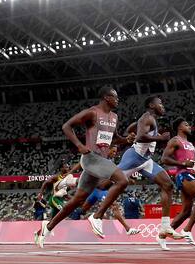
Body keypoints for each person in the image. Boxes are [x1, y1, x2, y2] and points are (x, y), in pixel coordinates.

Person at [35, 86, 134, 248]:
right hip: (90, 159)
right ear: (106, 98)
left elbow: (114, 139)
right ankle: (97, 216)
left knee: (76, 201)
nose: (118, 100)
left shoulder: (114, 117)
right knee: (122, 180)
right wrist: (79, 145)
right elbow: (66, 126)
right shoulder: (92, 113)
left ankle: (47, 228)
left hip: (99, 163)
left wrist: (126, 140)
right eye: (115, 97)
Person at [117, 95, 184, 248]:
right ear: (151, 105)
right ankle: (77, 184)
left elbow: (133, 130)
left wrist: (130, 132)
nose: (163, 106)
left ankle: (165, 227)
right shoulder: (147, 118)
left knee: (168, 185)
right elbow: (140, 137)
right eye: (160, 103)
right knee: (104, 183)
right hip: (134, 158)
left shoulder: (149, 120)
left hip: (146, 160)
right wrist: (160, 138)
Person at [160, 117, 195, 247]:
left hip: (189, 173)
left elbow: (192, 166)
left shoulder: (190, 144)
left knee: (186, 212)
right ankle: (187, 230)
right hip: (183, 175)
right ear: (179, 127)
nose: (189, 127)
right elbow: (164, 159)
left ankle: (162, 235)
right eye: (186, 124)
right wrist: (182, 163)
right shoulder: (175, 140)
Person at [72, 145, 141, 235]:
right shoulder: (100, 157)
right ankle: (69, 223)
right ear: (107, 149)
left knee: (114, 206)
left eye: (116, 152)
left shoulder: (110, 162)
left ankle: (127, 229)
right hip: (94, 190)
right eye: (113, 151)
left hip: (100, 191)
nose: (114, 154)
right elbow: (82, 163)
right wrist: (71, 172)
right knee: (81, 209)